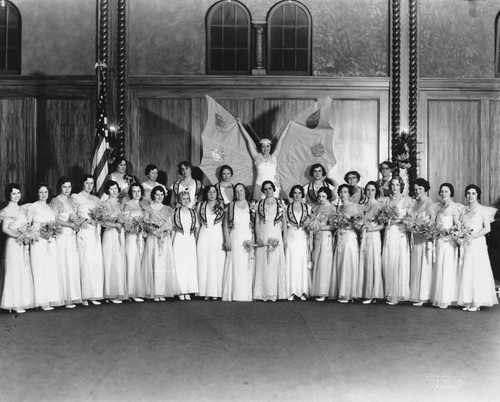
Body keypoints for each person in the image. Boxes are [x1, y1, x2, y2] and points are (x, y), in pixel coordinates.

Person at [457, 185, 498, 311]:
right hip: (466, 243)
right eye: (468, 193)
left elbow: (487, 228)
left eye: (473, 193)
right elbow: (460, 225)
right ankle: (469, 300)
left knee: (477, 270)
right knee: (467, 269)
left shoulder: (482, 210)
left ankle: (477, 302)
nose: (470, 196)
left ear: (477, 195)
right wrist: (460, 235)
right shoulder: (463, 210)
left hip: (477, 242)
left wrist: (473, 236)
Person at [27, 183, 63, 310]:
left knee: (49, 268)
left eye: (45, 192)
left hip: (50, 241)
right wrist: (38, 231)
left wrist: (52, 231)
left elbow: (54, 223)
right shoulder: (33, 206)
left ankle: (49, 299)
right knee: (39, 269)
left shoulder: (50, 208)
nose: (43, 195)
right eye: (41, 192)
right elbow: (28, 225)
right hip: (38, 241)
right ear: (37, 193)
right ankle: (40, 301)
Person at [0, 183, 35, 313]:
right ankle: (12, 303)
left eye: (18, 193)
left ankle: (22, 301)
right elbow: (4, 229)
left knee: (22, 270)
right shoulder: (7, 210)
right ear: (9, 194)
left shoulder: (22, 209)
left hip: (22, 244)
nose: (16, 196)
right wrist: (19, 236)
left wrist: (27, 235)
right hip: (13, 244)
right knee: (14, 272)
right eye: (13, 193)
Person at [72, 174, 104, 306]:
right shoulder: (75, 197)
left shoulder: (96, 199)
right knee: (85, 261)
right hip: (84, 231)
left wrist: (98, 220)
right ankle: (84, 295)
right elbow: (73, 215)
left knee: (95, 262)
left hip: (95, 233)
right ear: (82, 184)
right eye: (87, 183)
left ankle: (94, 294)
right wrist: (86, 220)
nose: (90, 186)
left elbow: (102, 215)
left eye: (92, 183)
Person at [253, 181, 288, 301]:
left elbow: (284, 221)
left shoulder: (280, 203)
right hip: (263, 233)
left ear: (274, 189)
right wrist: (258, 237)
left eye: (270, 189)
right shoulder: (259, 204)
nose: (268, 191)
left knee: (274, 262)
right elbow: (257, 221)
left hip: (276, 233)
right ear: (263, 191)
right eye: (266, 189)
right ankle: (263, 292)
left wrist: (284, 238)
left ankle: (275, 292)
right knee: (264, 262)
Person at [382, 176, 414, 305]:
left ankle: (400, 293)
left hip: (400, 233)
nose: (395, 188)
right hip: (389, 232)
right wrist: (387, 219)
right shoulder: (385, 200)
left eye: (397, 185)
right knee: (389, 260)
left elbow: (410, 218)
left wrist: (400, 221)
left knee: (400, 261)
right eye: (393, 185)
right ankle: (390, 292)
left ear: (401, 186)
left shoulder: (407, 200)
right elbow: (382, 218)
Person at [143, 186, 176, 301]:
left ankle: (161, 292)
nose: (159, 197)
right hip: (153, 238)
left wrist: (165, 232)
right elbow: (145, 224)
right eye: (157, 195)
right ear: (153, 195)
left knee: (162, 264)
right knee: (153, 263)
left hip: (164, 239)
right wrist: (155, 231)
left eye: (161, 195)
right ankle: (154, 291)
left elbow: (171, 225)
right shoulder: (148, 208)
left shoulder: (167, 208)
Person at [222, 183, 255, 302]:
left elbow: (255, 224)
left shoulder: (251, 206)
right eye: (237, 191)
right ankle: (235, 294)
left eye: (241, 191)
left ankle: (246, 294)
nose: (239, 193)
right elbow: (225, 225)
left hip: (248, 238)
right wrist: (227, 241)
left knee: (247, 265)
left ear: (245, 192)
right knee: (236, 265)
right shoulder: (230, 206)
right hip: (235, 238)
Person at [237, 120, 285, 199]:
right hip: (259, 186)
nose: (265, 148)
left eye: (267, 146)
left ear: (270, 147)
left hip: (273, 186)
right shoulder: (257, 157)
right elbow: (248, 140)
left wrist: (288, 125)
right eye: (263, 146)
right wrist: (240, 125)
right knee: (258, 207)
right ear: (260, 147)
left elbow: (281, 140)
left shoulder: (274, 157)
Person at [409, 178, 438, 306]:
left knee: (424, 266)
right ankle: (416, 294)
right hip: (416, 238)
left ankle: (424, 296)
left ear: (425, 189)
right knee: (416, 265)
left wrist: (423, 229)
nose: (417, 191)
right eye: (415, 189)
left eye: (420, 189)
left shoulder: (429, 203)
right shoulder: (415, 203)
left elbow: (433, 222)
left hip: (425, 238)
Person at [431, 183, 460, 309]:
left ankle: (447, 298)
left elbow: (457, 225)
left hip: (449, 241)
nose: (443, 194)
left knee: (447, 267)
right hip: (439, 240)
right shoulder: (440, 207)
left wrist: (448, 232)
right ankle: (439, 296)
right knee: (439, 266)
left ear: (451, 193)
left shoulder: (454, 207)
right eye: (442, 191)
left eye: (446, 191)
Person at [330, 184, 361, 302]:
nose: (343, 194)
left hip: (349, 237)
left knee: (348, 263)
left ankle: (347, 293)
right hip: (340, 237)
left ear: (349, 194)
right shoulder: (339, 208)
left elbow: (358, 223)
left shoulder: (354, 207)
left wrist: (348, 224)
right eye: (341, 192)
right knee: (341, 263)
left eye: (345, 192)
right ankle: (341, 291)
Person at [196, 185, 226, 300]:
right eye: (209, 192)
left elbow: (224, 224)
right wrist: (196, 239)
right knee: (204, 262)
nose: (212, 194)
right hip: (204, 235)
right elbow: (197, 225)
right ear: (206, 194)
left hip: (218, 235)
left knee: (216, 262)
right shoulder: (200, 206)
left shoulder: (222, 205)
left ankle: (216, 291)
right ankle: (204, 292)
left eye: (214, 192)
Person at [101, 180, 127, 304]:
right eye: (111, 189)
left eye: (116, 188)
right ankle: (109, 293)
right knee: (109, 261)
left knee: (118, 261)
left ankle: (118, 291)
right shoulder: (105, 204)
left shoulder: (120, 204)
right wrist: (116, 224)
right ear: (107, 191)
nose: (114, 191)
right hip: (109, 233)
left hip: (119, 233)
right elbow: (102, 222)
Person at [358, 181, 384, 304]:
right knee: (364, 262)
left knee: (373, 262)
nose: (369, 192)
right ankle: (364, 292)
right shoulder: (363, 206)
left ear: (376, 191)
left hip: (373, 236)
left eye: (372, 190)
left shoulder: (379, 205)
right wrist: (360, 226)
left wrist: (368, 229)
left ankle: (372, 293)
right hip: (363, 236)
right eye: (368, 190)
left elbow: (382, 225)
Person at [309, 187, 335, 302]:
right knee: (317, 261)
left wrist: (319, 227)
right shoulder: (316, 208)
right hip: (316, 237)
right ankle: (316, 290)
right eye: (319, 196)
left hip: (325, 236)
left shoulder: (331, 208)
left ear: (328, 196)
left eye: (323, 196)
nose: (321, 199)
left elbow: (333, 226)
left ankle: (323, 291)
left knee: (324, 263)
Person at [285, 185, 311, 300]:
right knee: (291, 261)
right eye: (295, 193)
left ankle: (303, 290)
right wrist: (284, 238)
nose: (297, 195)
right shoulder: (286, 208)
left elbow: (310, 225)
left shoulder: (308, 208)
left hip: (303, 236)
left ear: (302, 194)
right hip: (291, 236)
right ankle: (291, 290)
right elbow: (284, 225)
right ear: (292, 194)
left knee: (302, 261)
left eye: (299, 193)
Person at [172, 191, 199, 300]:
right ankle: (180, 290)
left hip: (190, 240)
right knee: (179, 264)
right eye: (183, 199)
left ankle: (188, 290)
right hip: (179, 238)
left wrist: (195, 242)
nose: (186, 201)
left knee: (189, 264)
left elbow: (196, 228)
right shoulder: (175, 212)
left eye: (188, 198)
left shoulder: (193, 213)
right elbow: (172, 228)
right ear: (179, 200)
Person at [123, 183, 146, 302]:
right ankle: (131, 292)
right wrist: (134, 228)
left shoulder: (143, 205)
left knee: (140, 261)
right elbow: (125, 224)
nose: (137, 193)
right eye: (134, 191)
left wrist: (143, 230)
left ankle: (138, 291)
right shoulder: (127, 205)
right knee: (132, 262)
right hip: (131, 237)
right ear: (131, 193)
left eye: (138, 191)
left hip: (141, 237)